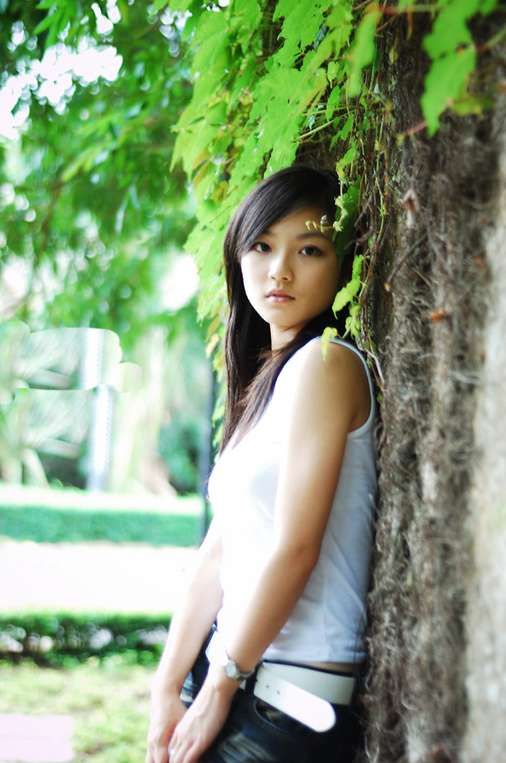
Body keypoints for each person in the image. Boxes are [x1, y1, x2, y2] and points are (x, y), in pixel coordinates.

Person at [146, 165, 377, 763]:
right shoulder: (268, 385)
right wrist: (167, 687)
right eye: (263, 246)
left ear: (341, 264)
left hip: (285, 699)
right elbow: (218, 553)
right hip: (235, 676)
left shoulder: (326, 365)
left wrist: (219, 686)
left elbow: (297, 548)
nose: (280, 271)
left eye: (309, 249)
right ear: (238, 255)